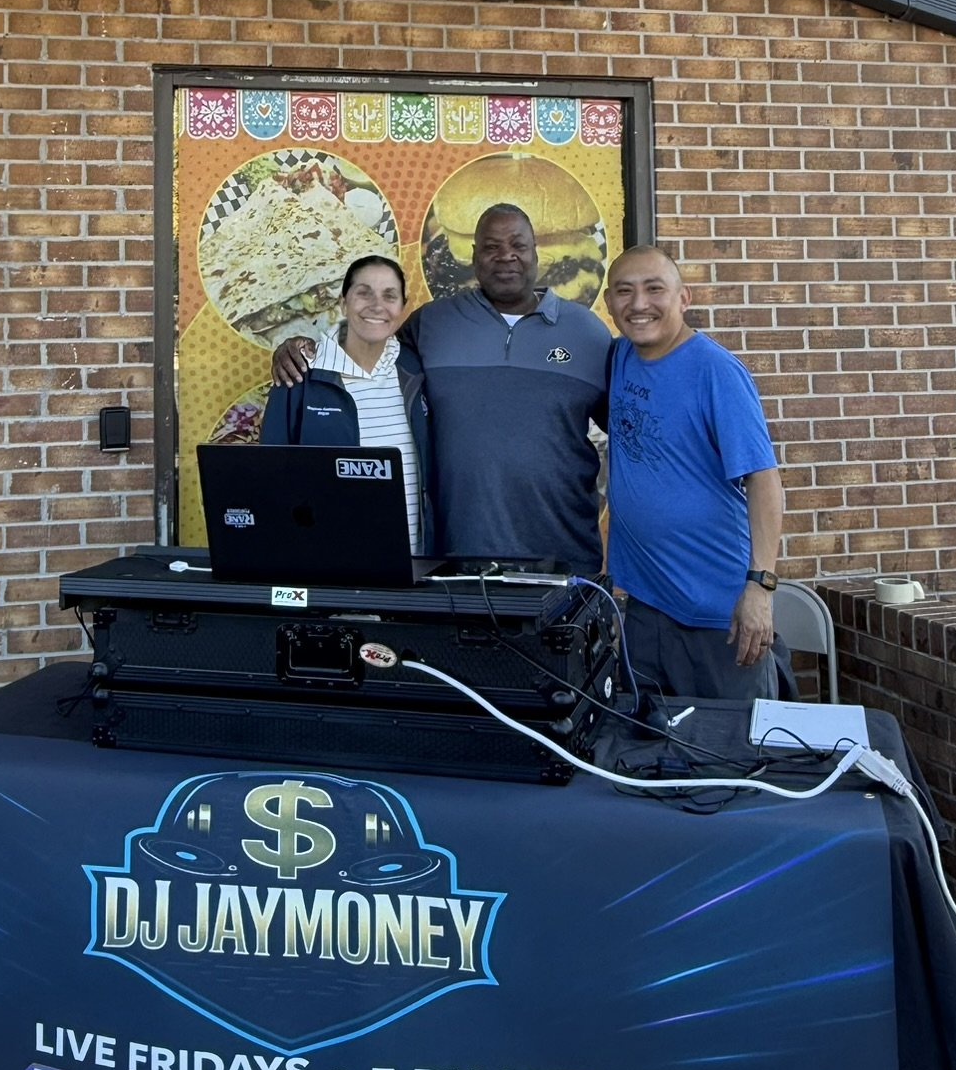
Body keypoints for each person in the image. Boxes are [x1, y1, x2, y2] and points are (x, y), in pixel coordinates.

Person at [272, 205, 609, 568]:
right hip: (455, 561)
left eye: (518, 245)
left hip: (564, 557)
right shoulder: (432, 323)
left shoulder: (588, 333)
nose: (505, 256)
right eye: (491, 247)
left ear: (535, 251)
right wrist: (302, 349)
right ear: (473, 256)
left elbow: (629, 432)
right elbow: (368, 346)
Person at [602, 244, 784, 703]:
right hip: (645, 608)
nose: (639, 304)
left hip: (719, 615)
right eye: (624, 291)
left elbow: (764, 480)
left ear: (684, 298)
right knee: (647, 739)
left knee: (733, 740)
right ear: (608, 303)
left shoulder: (715, 372)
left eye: (654, 289)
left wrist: (760, 587)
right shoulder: (619, 358)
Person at [259, 254, 431, 557]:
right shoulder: (299, 374)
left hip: (411, 565)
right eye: (364, 293)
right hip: (327, 566)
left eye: (389, 296)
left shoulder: (417, 370)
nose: (377, 305)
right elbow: (271, 480)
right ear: (342, 303)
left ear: (403, 307)